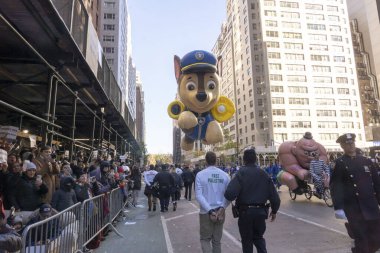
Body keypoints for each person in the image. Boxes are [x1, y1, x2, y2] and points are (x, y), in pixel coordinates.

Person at [330, 133, 380, 253]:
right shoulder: (340, 163)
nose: (351, 146)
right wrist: (338, 208)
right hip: (353, 208)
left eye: (352, 143)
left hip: (371, 206)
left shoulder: (366, 161)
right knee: (361, 238)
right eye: (347, 144)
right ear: (342, 146)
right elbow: (336, 187)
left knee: (376, 238)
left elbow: (377, 183)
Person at [224, 148, 281, 253]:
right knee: (259, 237)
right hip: (260, 212)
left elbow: (229, 194)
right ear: (255, 159)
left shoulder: (241, 173)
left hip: (245, 213)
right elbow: (275, 197)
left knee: (247, 241)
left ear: (244, 160)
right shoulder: (264, 174)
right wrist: (274, 211)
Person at [195, 151, 230, 253]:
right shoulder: (225, 176)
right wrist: (222, 208)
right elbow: (228, 196)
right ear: (216, 160)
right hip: (220, 212)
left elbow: (198, 195)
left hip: (205, 212)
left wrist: (210, 210)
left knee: (205, 239)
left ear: (206, 161)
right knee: (217, 241)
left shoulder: (200, 175)